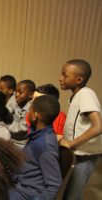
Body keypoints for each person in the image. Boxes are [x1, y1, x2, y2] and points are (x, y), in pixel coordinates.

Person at [59, 59, 102, 199]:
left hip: (85, 157)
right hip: (76, 156)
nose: (61, 78)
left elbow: (98, 126)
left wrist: (72, 143)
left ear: (78, 79)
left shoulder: (86, 94)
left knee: (72, 196)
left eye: (65, 75)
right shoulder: (78, 95)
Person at [9, 95, 62, 200]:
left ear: (35, 116)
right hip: (21, 183)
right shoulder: (39, 135)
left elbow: (54, 184)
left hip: (26, 193)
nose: (28, 113)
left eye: (30, 110)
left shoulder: (44, 145)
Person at [7, 80, 36, 145]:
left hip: (21, 144)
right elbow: (4, 113)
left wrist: (4, 125)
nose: (16, 95)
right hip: (9, 139)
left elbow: (20, 129)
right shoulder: (15, 99)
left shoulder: (32, 108)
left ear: (30, 95)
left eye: (20, 92)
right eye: (16, 92)